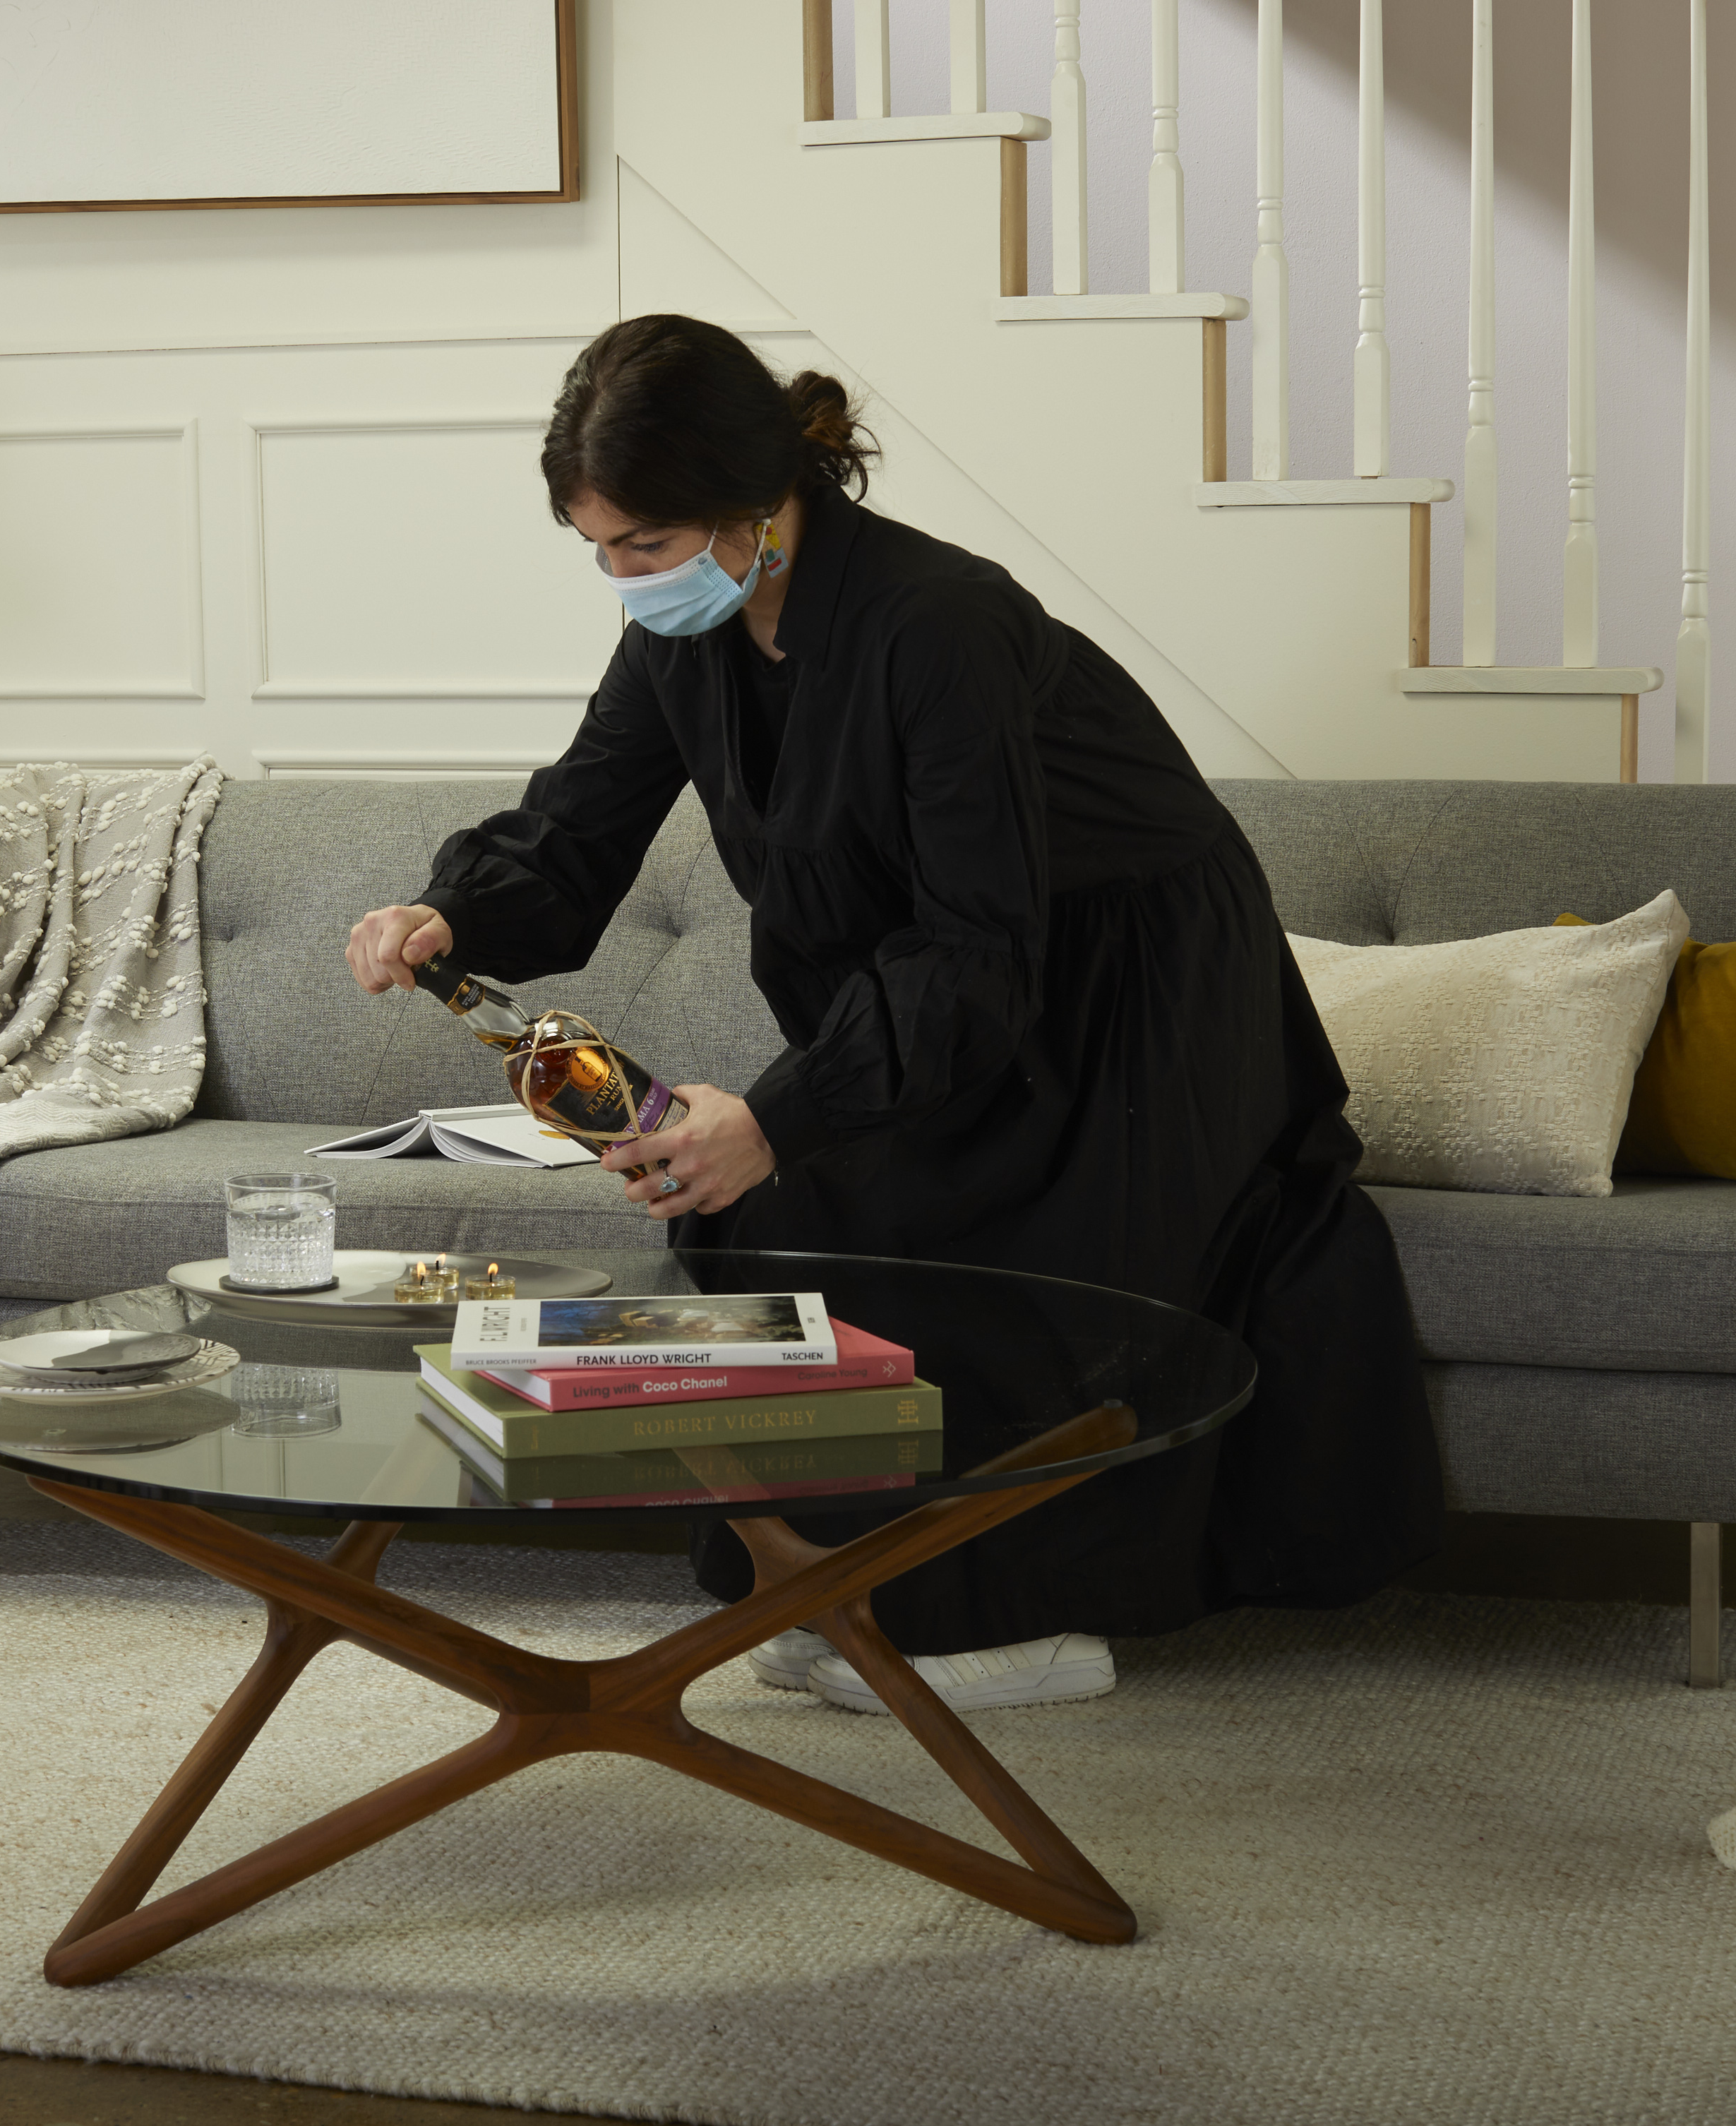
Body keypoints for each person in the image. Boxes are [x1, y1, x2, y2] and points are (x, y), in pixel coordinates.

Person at [343, 314, 1442, 1714]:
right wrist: (448, 914)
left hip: (1125, 986)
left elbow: (979, 939)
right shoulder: (681, 627)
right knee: (769, 1212)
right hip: (937, 981)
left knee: (976, 1249)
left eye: (643, 542)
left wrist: (780, 1113)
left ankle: (1010, 1624)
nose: (622, 577)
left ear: (753, 504)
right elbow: (578, 825)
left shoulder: (937, 622)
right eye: (596, 549)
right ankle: (837, 1581)